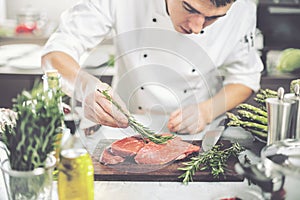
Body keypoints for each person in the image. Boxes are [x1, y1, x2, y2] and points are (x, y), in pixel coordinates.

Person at [41, 0, 263, 135]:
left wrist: (207, 110)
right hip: (124, 128)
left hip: (199, 133)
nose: (197, 27)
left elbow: (246, 77)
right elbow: (55, 52)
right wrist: (86, 87)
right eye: (189, 7)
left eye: (213, 18)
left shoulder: (243, 11)